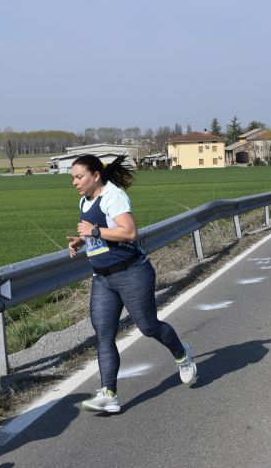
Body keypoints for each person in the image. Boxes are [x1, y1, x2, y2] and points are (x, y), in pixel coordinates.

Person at [67, 154, 196, 413]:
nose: (74, 182)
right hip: (103, 278)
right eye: (73, 178)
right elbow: (100, 230)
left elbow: (129, 232)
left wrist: (93, 232)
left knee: (148, 327)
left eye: (79, 177)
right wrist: (83, 241)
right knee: (104, 334)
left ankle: (182, 354)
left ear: (96, 176)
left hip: (132, 273)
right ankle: (109, 394)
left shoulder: (113, 196)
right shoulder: (85, 200)